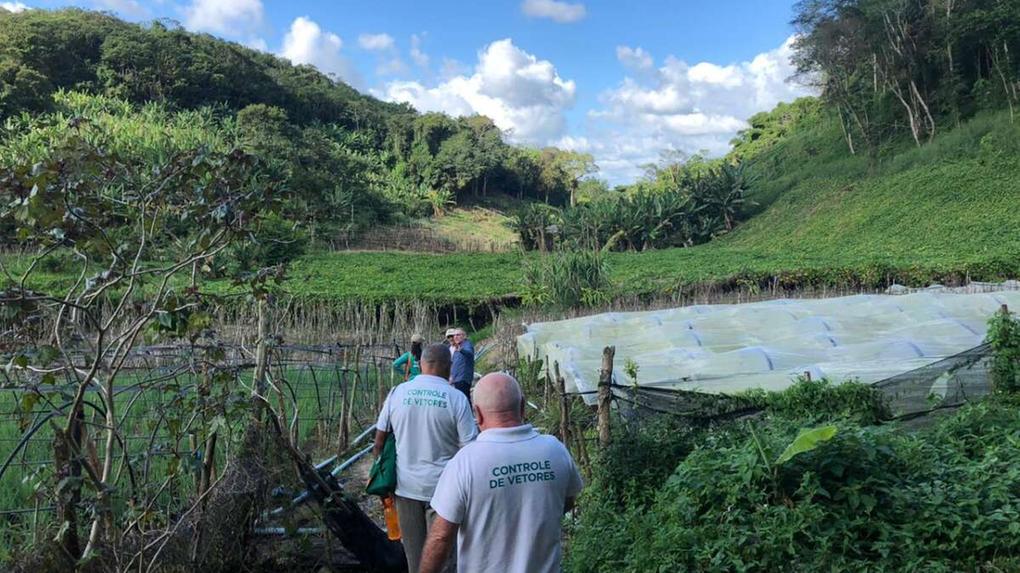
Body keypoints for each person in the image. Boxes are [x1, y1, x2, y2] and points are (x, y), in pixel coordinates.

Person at [419, 373, 584, 573]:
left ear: (477, 414)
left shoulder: (465, 462)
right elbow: (566, 501)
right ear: (522, 406)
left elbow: (441, 537)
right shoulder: (555, 450)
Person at [374, 343, 478, 573]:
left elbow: (379, 441)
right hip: (444, 493)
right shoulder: (457, 399)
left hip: (405, 489)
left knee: (415, 560)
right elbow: (470, 450)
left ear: (421, 365)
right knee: (443, 560)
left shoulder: (397, 393)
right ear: (449, 367)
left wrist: (384, 481)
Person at [445, 328, 474, 404]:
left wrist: (461, 350)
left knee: (464, 400)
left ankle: (469, 415)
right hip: (456, 379)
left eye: (458, 335)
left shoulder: (467, 344)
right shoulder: (455, 347)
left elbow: (470, 353)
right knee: (460, 401)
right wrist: (451, 377)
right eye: (454, 335)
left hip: (463, 378)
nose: (455, 337)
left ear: (464, 336)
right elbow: (455, 365)